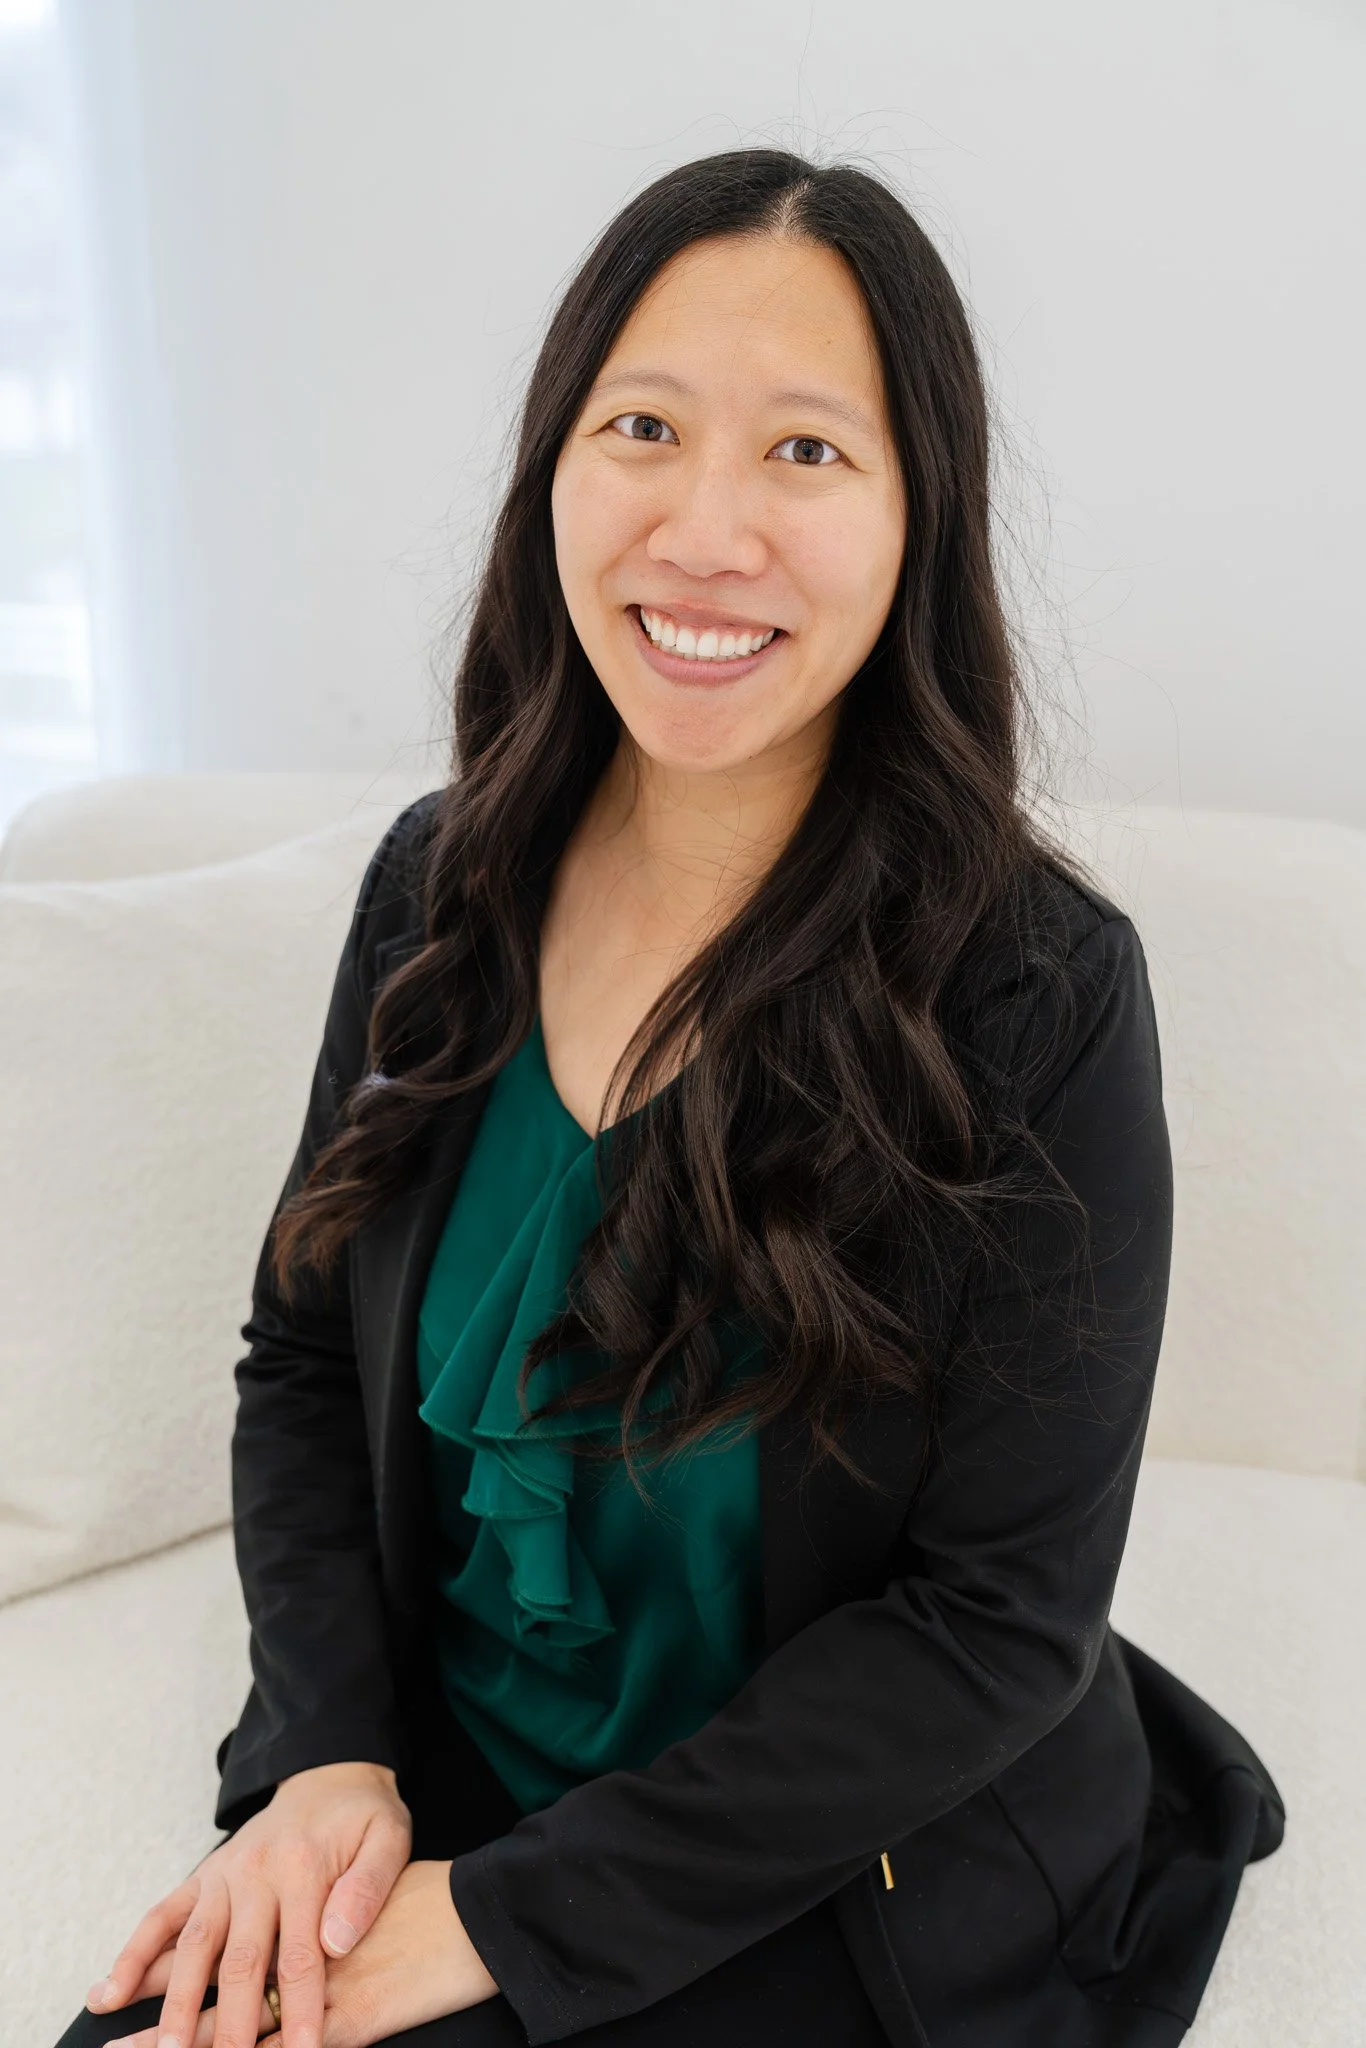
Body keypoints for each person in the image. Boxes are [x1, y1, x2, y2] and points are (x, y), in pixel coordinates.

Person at [57, 147, 1284, 2048]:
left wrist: (505, 1924)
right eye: (645, 426)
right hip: (449, 1791)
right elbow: (299, 1365)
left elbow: (992, 1625)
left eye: (806, 451)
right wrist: (320, 1766)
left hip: (826, 1862)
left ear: (916, 521)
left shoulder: (1040, 993)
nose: (708, 530)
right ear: (556, 463)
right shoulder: (434, 890)